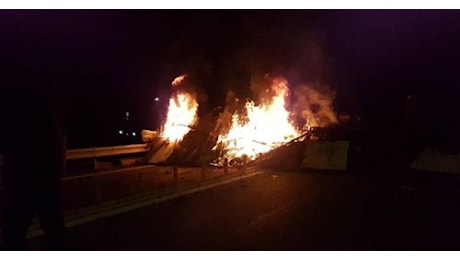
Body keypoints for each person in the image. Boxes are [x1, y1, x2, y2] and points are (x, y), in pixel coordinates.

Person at [0, 78, 66, 250]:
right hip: (44, 175)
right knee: (53, 226)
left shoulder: (15, 111)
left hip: (23, 176)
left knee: (15, 230)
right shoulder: (46, 112)